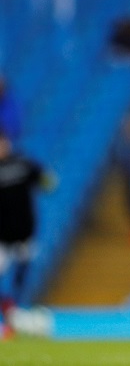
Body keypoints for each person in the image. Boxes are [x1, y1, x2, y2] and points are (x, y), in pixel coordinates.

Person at [0, 131, 54, 331]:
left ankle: (14, 309)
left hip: (24, 231)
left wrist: (47, 180)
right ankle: (8, 309)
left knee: (21, 275)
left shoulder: (23, 163)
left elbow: (47, 181)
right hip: (3, 236)